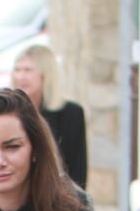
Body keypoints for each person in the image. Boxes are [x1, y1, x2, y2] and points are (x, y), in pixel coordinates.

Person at [11, 45, 88, 188]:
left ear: (46, 74)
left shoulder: (71, 113)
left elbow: (78, 169)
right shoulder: (8, 113)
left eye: (28, 70)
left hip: (57, 197)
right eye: (17, 70)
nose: (20, 76)